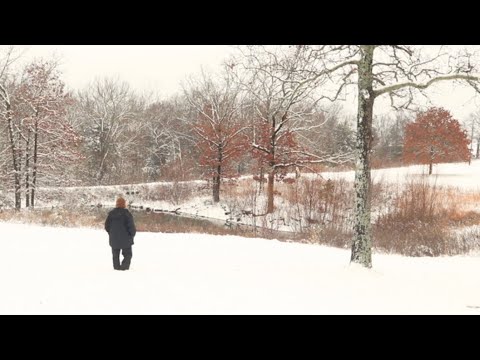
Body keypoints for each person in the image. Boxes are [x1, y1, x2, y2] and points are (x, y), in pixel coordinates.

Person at [105, 196, 136, 271]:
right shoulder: (127, 214)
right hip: (126, 239)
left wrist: (111, 233)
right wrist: (132, 235)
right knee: (128, 255)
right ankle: (124, 268)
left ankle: (116, 268)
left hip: (114, 239)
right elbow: (131, 226)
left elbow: (107, 226)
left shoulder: (111, 214)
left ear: (117, 204)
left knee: (115, 255)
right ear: (124, 204)